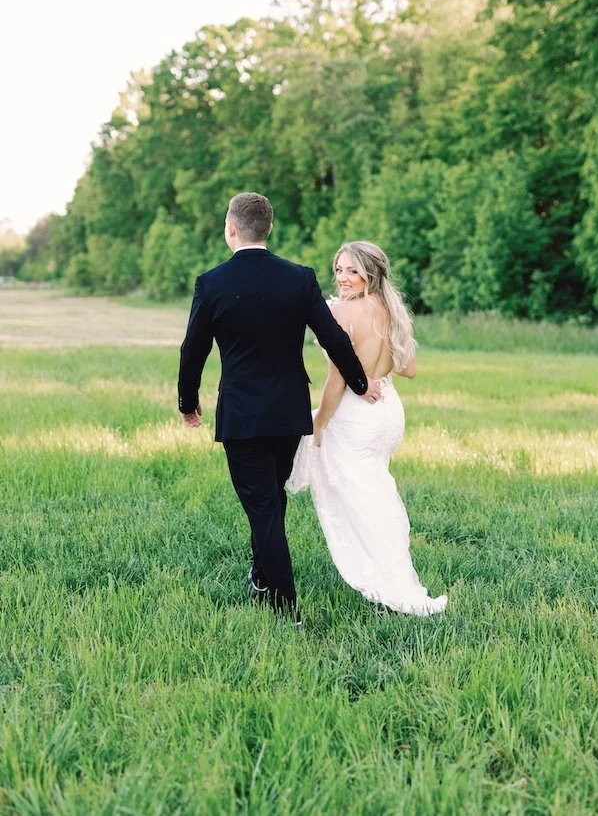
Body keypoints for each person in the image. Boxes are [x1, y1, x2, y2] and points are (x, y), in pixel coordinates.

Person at [177, 194, 382, 623]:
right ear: (267, 229)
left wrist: (187, 402)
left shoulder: (211, 283)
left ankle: (284, 606)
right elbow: (333, 338)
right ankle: (262, 576)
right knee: (269, 502)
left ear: (231, 229)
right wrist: (360, 383)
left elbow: (192, 350)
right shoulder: (299, 278)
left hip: (242, 416)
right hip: (288, 414)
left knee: (264, 507)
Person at [288, 241, 448, 616]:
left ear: (370, 274)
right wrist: (376, 369)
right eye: (339, 269)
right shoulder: (392, 309)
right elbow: (408, 369)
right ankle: (394, 571)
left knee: (361, 501)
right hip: (388, 412)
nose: (343, 278)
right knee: (376, 490)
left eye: (352, 271)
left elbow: (336, 382)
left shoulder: (341, 313)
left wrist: (319, 424)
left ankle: (390, 582)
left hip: (357, 416)